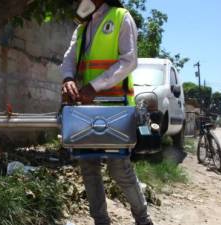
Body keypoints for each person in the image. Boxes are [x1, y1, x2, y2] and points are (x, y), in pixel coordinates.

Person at [60, 0, 154, 225]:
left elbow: (129, 60)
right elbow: (69, 60)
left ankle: (143, 220)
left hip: (115, 108)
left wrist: (94, 86)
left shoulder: (121, 17)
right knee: (88, 166)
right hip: (85, 109)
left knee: (119, 169)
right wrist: (68, 79)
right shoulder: (82, 25)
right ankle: (101, 221)